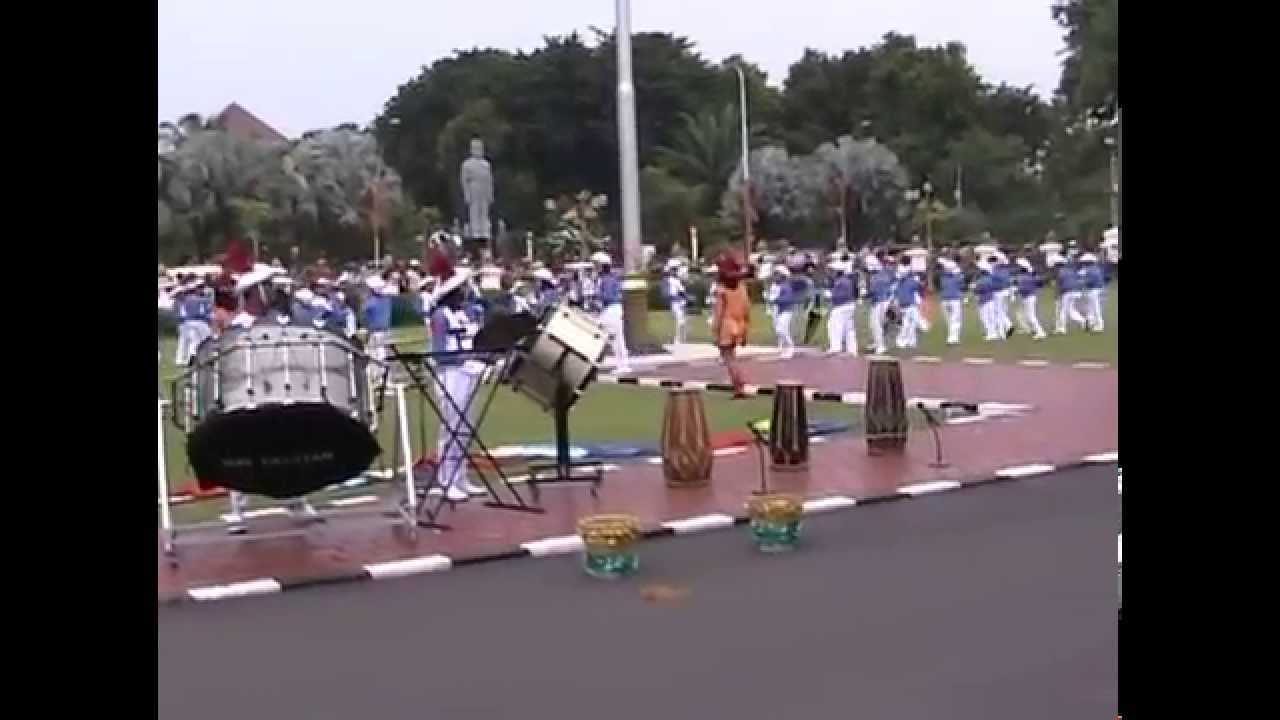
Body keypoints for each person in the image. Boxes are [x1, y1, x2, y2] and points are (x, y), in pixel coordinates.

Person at [426, 253, 487, 503]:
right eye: (460, 289)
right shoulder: (441, 316)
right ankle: (447, 479)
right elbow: (440, 353)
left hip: (466, 371)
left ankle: (461, 477)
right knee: (451, 426)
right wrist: (464, 359)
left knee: (465, 427)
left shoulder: (463, 314)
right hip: (450, 373)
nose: (465, 292)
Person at [711, 252, 752, 398]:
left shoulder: (721, 290)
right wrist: (745, 330)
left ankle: (738, 386)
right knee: (732, 357)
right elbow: (747, 310)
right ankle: (739, 383)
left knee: (729, 358)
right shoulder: (742, 288)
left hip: (726, 325)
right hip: (740, 323)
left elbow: (718, 313)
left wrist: (715, 332)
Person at [593, 252, 631, 374]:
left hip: (611, 309)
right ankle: (622, 363)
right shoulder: (608, 278)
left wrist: (597, 297)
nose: (595, 267)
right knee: (616, 337)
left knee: (615, 338)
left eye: (596, 265)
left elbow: (608, 296)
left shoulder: (607, 279)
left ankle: (622, 365)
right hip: (611, 309)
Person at [174, 280, 213, 367]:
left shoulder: (185, 300)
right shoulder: (205, 300)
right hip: (201, 322)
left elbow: (181, 313)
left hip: (187, 322)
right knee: (204, 340)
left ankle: (183, 359)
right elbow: (208, 313)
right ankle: (199, 356)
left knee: (187, 341)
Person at [825, 260, 857, 355]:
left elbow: (843, 295)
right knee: (848, 328)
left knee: (834, 326)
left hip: (841, 306)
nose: (831, 272)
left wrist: (830, 296)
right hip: (848, 306)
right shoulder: (845, 280)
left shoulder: (841, 282)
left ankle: (836, 347)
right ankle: (852, 349)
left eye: (832, 270)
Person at [892, 257, 924, 349]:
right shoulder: (902, 270)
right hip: (905, 298)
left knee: (910, 323)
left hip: (909, 298)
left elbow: (918, 286)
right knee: (908, 323)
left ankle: (910, 342)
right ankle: (902, 341)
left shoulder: (908, 273)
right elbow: (901, 276)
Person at [766, 265, 797, 359]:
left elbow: (787, 299)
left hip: (786, 310)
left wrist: (775, 300)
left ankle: (790, 347)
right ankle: (783, 348)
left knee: (782, 329)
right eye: (775, 274)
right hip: (778, 310)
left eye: (777, 274)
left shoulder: (786, 286)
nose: (775, 276)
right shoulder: (775, 285)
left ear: (783, 276)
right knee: (778, 330)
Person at [1014, 258, 1048, 340]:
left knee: (1031, 316)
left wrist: (1016, 290)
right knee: (1026, 315)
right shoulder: (1029, 276)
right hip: (1030, 297)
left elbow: (1023, 289)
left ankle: (1041, 332)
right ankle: (1033, 330)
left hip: (1028, 298)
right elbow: (1040, 284)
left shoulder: (1023, 278)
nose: (1018, 268)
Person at [1052, 254, 1086, 335]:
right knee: (1070, 310)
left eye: (1055, 265)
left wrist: (1057, 295)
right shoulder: (1070, 270)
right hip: (1075, 291)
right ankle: (1083, 321)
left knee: (1063, 310)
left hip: (1067, 292)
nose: (1054, 267)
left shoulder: (1060, 272)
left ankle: (1062, 328)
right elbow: (1077, 280)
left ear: (1057, 265)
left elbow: (1059, 285)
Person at [865, 255, 893, 355]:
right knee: (872, 324)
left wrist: (865, 294)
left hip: (880, 302)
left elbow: (873, 291)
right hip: (883, 301)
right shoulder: (883, 273)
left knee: (876, 325)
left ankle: (880, 346)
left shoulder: (876, 277)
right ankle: (876, 343)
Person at [937, 257, 965, 346]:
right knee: (955, 320)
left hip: (944, 300)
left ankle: (952, 337)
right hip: (954, 300)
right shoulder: (957, 277)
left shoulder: (943, 277)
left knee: (949, 320)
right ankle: (952, 338)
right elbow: (962, 285)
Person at [663, 259, 689, 345]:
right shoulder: (671, 280)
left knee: (682, 321)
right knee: (680, 321)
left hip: (679, 302)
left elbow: (682, 292)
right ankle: (677, 339)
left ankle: (680, 339)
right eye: (675, 269)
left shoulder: (676, 280)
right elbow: (671, 293)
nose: (676, 271)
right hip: (676, 302)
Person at [975, 259, 1001, 342]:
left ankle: (990, 334)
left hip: (984, 300)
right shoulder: (990, 279)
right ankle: (994, 333)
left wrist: (974, 287)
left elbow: (978, 290)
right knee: (992, 317)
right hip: (991, 299)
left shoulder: (981, 280)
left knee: (985, 318)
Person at [1079, 252, 1106, 332]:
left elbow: (1089, 281)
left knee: (1095, 308)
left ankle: (1099, 325)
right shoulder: (1097, 268)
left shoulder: (1089, 270)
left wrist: (1082, 282)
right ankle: (1091, 322)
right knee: (1092, 307)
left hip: (1093, 290)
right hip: (1099, 289)